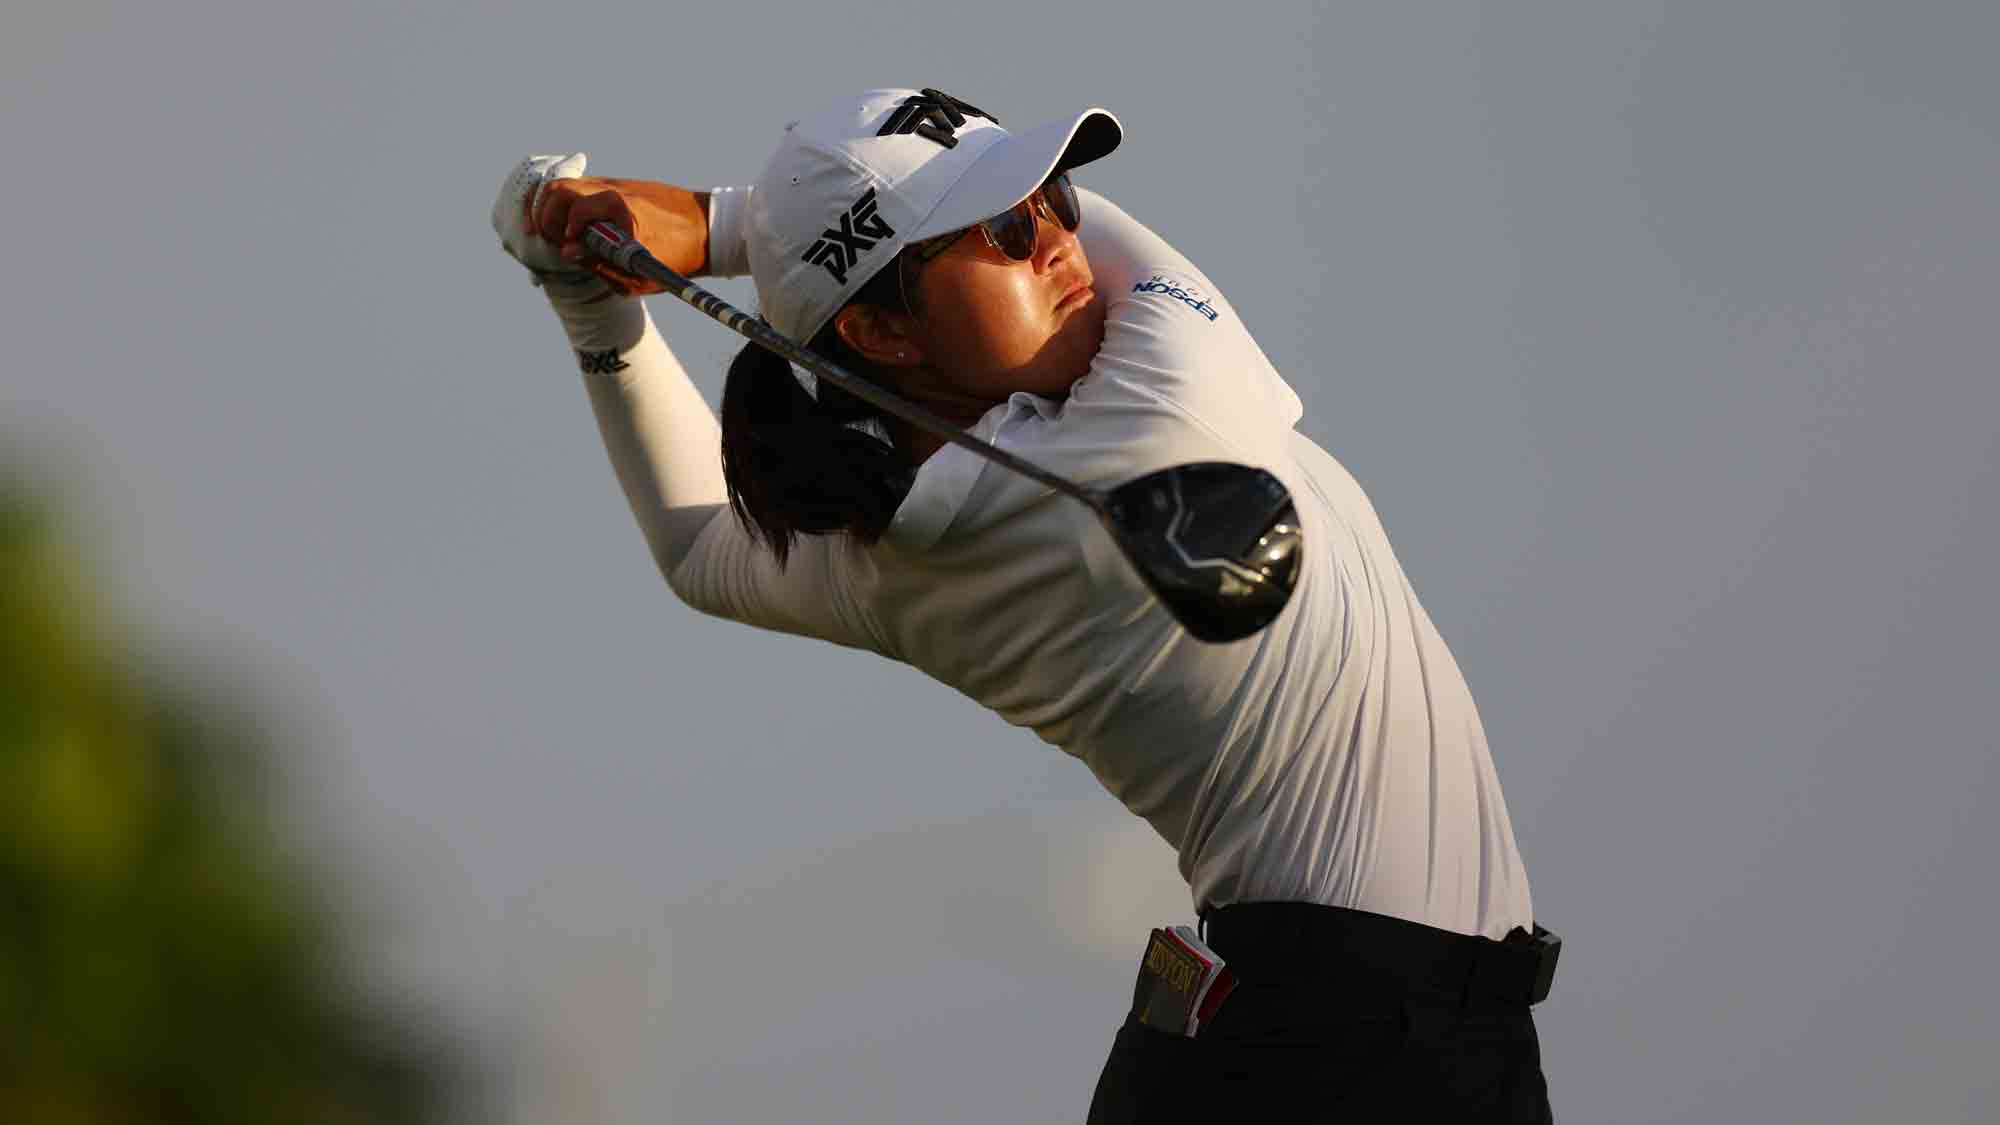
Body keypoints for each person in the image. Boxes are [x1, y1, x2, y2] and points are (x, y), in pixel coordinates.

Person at [490, 87, 1556, 1122]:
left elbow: (693, 548)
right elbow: (1136, 253)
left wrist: (596, 313)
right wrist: (720, 225)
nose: (1054, 241)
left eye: (1055, 202)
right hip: (1347, 1045)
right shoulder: (1153, 411)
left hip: (1313, 1034)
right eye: (999, 226)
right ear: (882, 336)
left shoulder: (881, 553)